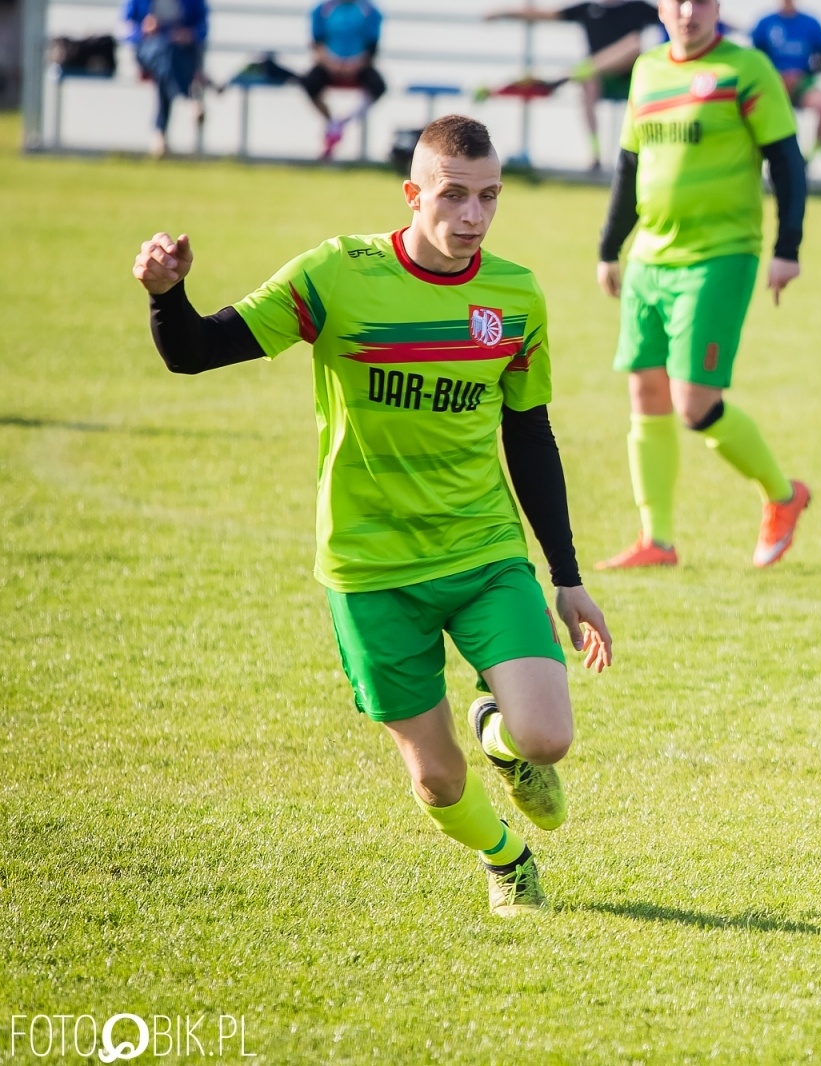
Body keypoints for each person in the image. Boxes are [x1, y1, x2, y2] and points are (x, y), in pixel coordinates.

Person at [130, 115, 615, 917]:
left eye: (489, 197)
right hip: (369, 570)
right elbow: (195, 350)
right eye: (454, 196)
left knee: (546, 738)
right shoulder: (335, 275)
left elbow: (528, 432)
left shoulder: (515, 294)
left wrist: (566, 577)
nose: (473, 217)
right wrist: (165, 295)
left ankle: (501, 730)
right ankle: (506, 857)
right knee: (437, 779)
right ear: (413, 193)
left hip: (482, 552)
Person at [593, 0, 812, 571]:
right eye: (676, 0)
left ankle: (784, 496)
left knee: (695, 403)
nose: (688, 10)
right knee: (646, 394)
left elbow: (787, 160)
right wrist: (608, 248)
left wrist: (787, 248)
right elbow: (627, 166)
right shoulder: (646, 70)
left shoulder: (747, 68)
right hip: (648, 258)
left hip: (719, 257)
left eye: (703, 0)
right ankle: (657, 541)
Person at [486, 1, 663, 171]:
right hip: (600, 81)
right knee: (589, 80)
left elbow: (670, 15)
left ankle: (573, 74)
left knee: (633, 44)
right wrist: (503, 12)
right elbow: (543, 14)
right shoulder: (588, 10)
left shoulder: (639, 8)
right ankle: (595, 154)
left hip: (635, 78)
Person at [749, 1, 821, 164]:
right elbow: (756, 60)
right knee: (750, 108)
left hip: (802, 84)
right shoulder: (765, 23)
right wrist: (776, 76)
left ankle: (810, 159)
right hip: (772, 84)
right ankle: (760, 156)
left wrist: (801, 76)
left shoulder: (811, 23)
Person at [121, 0, 208, 158]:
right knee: (166, 54)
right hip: (149, 48)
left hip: (181, 52)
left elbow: (203, 28)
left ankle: (159, 133)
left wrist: (189, 34)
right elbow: (125, 28)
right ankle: (190, 97)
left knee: (166, 67)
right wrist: (143, 29)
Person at [301, 0, 385, 160]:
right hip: (328, 64)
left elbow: (372, 46)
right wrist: (331, 63)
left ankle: (342, 123)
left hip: (358, 65)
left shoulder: (369, 10)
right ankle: (331, 121)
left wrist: (355, 64)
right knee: (309, 83)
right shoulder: (322, 9)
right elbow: (316, 43)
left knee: (378, 87)